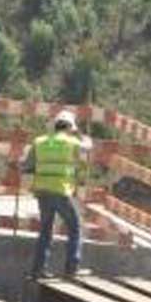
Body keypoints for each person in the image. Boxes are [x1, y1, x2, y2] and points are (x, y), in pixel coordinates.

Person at [24, 109, 93, 281]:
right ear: (70, 127)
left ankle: (38, 270)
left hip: (42, 192)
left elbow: (27, 167)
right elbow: (88, 147)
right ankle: (71, 269)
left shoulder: (39, 142)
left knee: (46, 231)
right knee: (76, 227)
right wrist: (83, 136)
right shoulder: (71, 142)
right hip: (61, 191)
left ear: (55, 126)